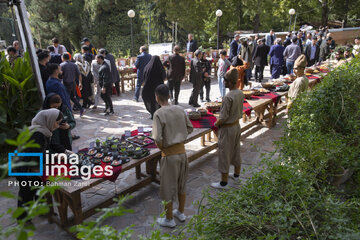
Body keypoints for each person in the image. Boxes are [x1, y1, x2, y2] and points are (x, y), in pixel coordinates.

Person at [152, 84, 193, 228]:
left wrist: (163, 146)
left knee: (167, 187)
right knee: (182, 184)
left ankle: (169, 219)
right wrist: (180, 138)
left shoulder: (158, 114)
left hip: (169, 156)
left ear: (157, 98)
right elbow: (190, 128)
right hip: (182, 153)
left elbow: (157, 138)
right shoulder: (180, 109)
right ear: (169, 96)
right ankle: (180, 212)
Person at [15, 109, 65, 220]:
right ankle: (22, 218)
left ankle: (41, 210)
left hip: (32, 166)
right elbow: (39, 155)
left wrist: (65, 151)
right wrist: (56, 157)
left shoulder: (44, 130)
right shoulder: (37, 134)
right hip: (24, 168)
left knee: (39, 189)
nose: (58, 126)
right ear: (50, 120)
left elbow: (52, 145)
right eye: (57, 123)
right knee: (26, 193)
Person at [211, 68, 243, 189]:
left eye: (225, 81)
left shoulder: (228, 96)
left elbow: (223, 117)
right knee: (236, 151)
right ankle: (236, 175)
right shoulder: (240, 92)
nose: (224, 83)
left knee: (224, 154)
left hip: (228, 129)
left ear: (230, 82)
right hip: (236, 126)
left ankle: (223, 183)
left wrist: (216, 124)